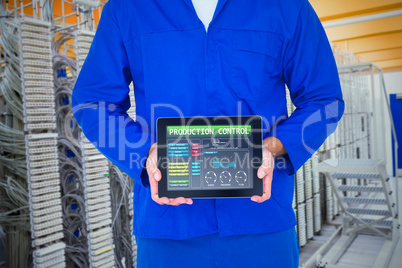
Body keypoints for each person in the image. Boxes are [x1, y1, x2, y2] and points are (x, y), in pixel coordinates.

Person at [72, 0, 344, 267]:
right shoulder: (127, 7)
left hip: (260, 222)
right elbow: (93, 102)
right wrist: (144, 153)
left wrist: (273, 147)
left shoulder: (286, 6)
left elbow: (325, 100)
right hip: (169, 227)